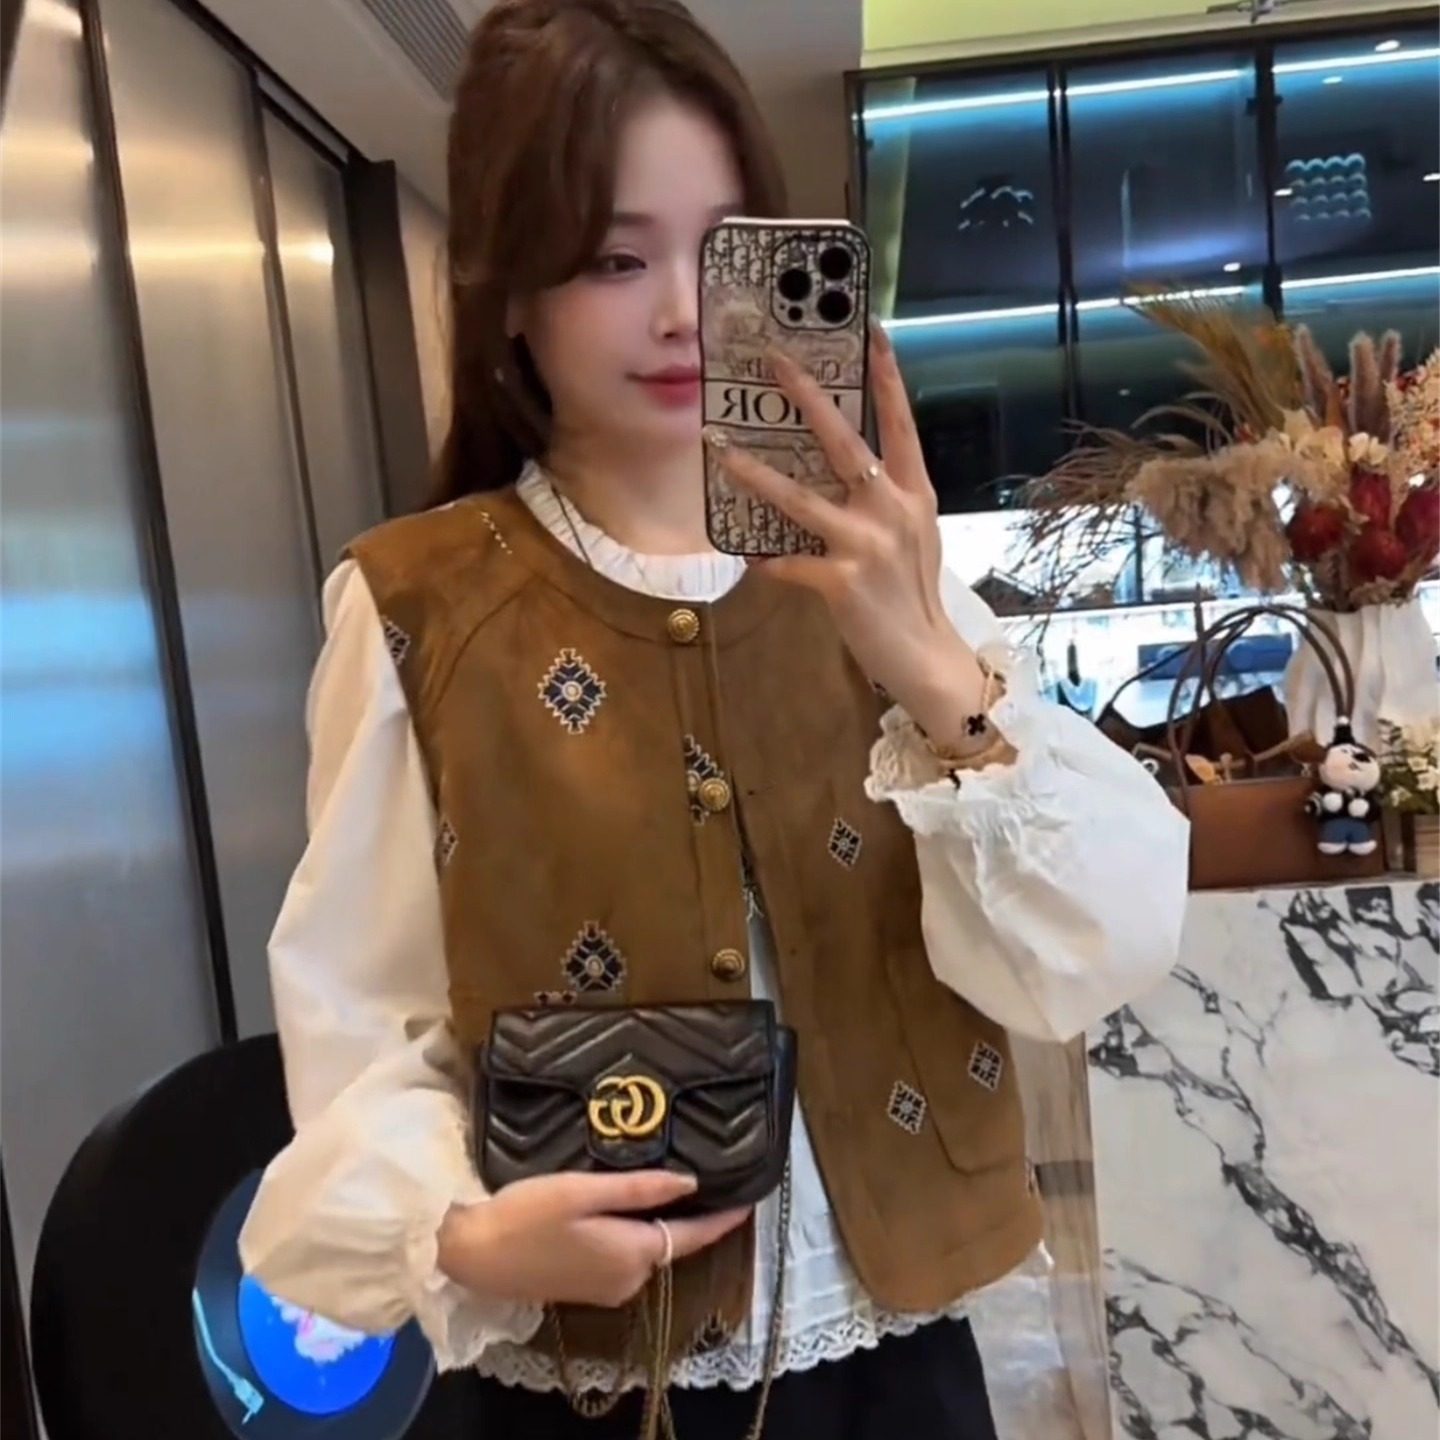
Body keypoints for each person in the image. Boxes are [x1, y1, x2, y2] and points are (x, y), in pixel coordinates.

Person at [238, 1, 1190, 1435]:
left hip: (901, 1359)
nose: (686, 311)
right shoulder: (419, 607)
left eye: (724, 249)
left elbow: (1097, 951)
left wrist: (936, 672)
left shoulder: (875, 559)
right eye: (614, 258)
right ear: (510, 289)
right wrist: (463, 1233)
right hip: (590, 1382)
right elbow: (367, 1024)